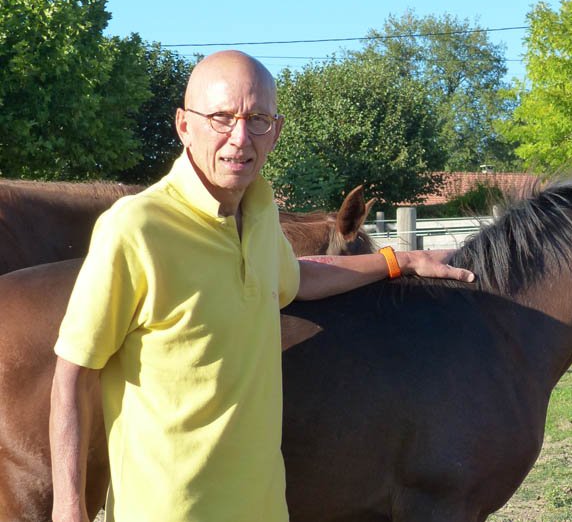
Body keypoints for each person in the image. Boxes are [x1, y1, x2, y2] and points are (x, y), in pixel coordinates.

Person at [49, 50, 475, 522]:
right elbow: (73, 374)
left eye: (257, 120)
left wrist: (401, 260)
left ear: (277, 131)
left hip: (263, 506)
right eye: (221, 117)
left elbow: (299, 277)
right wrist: (68, 508)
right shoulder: (136, 227)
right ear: (183, 125)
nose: (239, 138)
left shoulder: (259, 212)